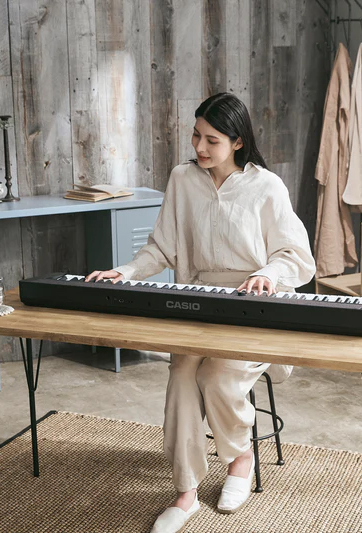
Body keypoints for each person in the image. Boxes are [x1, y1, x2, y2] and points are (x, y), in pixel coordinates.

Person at [85, 92, 316, 533]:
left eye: (212, 140)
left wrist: (267, 273)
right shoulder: (182, 179)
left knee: (217, 376)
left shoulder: (267, 187)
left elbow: (296, 256)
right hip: (197, 303)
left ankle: (239, 458)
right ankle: (186, 491)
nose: (200, 147)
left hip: (253, 306)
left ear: (238, 141)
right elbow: (162, 247)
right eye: (196, 136)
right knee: (182, 376)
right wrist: (125, 271)